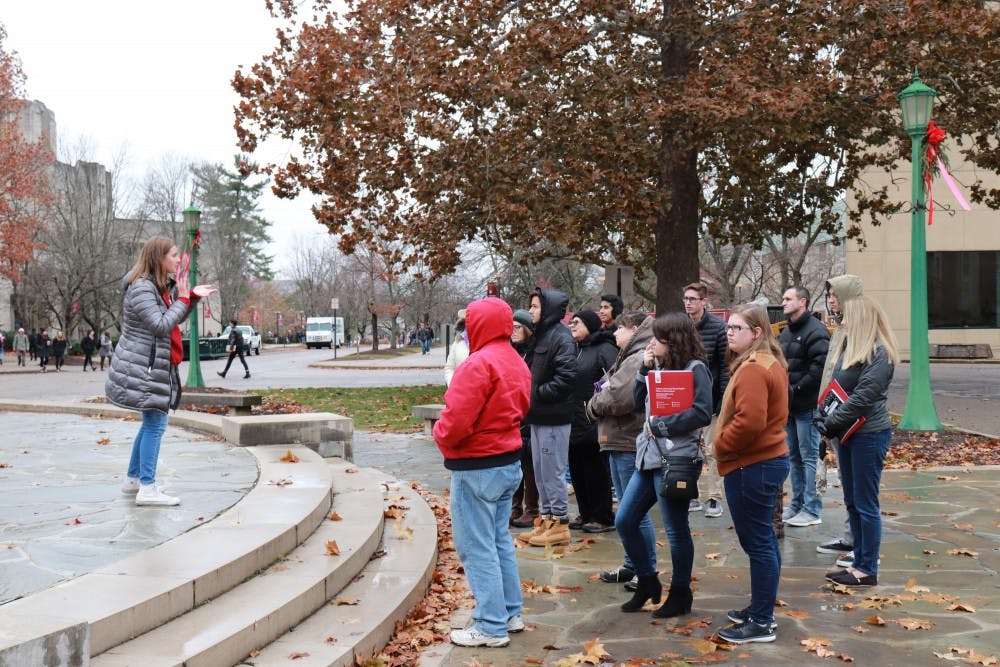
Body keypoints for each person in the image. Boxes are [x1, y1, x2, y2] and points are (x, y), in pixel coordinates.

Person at [433, 297, 531, 648]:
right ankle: (508, 612)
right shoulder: (516, 361)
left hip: (477, 466)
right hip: (507, 461)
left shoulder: (478, 364)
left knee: (476, 546)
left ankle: (491, 626)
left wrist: (439, 436)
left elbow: (456, 419)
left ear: (478, 325)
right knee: (499, 539)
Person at [106, 235, 215, 506]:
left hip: (151, 364)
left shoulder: (155, 285)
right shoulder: (142, 287)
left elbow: (171, 318)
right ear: (159, 257)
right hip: (146, 366)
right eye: (173, 255)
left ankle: (134, 480)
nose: (178, 260)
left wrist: (190, 299)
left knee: (150, 423)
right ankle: (147, 487)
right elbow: (160, 325)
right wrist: (183, 298)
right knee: (156, 424)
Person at [616, 313, 713, 617]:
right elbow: (636, 400)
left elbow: (702, 412)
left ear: (674, 340)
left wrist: (662, 426)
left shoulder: (696, 369)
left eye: (658, 338)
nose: (652, 343)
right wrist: (644, 370)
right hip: (649, 457)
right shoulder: (657, 366)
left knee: (675, 529)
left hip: (677, 458)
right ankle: (647, 581)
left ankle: (681, 592)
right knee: (625, 520)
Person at [712, 304, 789, 644]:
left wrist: (721, 445)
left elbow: (750, 422)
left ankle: (761, 621)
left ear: (757, 333)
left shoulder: (754, 369)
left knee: (758, 542)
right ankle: (761, 609)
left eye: (737, 328)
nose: (729, 332)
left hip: (752, 464)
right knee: (762, 541)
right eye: (728, 327)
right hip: (761, 461)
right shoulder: (762, 362)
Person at [817, 295, 897, 588]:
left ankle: (867, 568)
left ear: (862, 318)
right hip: (848, 433)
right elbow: (838, 388)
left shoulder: (880, 353)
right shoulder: (852, 348)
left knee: (865, 503)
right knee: (852, 501)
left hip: (868, 435)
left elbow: (863, 398)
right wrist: (822, 413)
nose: (843, 321)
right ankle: (858, 561)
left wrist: (830, 422)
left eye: (848, 316)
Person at [586, 311, 655, 590]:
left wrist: (593, 405)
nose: (614, 333)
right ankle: (632, 564)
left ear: (635, 329)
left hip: (628, 439)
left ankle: (646, 569)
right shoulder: (631, 355)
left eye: (620, 329)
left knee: (634, 511)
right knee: (626, 510)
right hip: (618, 438)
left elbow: (619, 396)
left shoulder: (638, 357)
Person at [519, 288, 578, 547]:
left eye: (535, 306)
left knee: (553, 472)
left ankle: (560, 524)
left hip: (553, 416)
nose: (530, 311)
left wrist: (539, 394)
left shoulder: (561, 337)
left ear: (548, 309)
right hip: (538, 415)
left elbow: (566, 377)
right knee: (541, 472)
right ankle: (546, 519)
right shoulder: (541, 335)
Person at [815, 274, 864, 561]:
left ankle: (862, 547)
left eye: (835, 295)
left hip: (852, 420)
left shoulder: (860, 330)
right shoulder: (841, 328)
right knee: (847, 485)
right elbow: (831, 372)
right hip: (833, 414)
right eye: (829, 296)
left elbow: (860, 380)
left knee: (859, 489)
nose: (831, 300)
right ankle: (851, 538)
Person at [779, 286, 830, 528]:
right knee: (794, 458)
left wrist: (795, 389)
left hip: (807, 406)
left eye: (788, 299)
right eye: (783, 299)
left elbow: (818, 370)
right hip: (789, 406)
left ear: (803, 301)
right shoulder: (787, 332)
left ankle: (812, 509)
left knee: (809, 458)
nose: (784, 303)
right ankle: (797, 504)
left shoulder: (816, 331)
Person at [566, 310, 617, 533]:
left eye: (577, 322)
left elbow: (613, 381)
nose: (572, 325)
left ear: (590, 325)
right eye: (571, 322)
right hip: (573, 420)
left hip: (594, 420)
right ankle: (585, 513)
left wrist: (597, 406)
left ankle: (602, 516)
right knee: (578, 470)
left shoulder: (604, 349)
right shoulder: (576, 349)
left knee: (596, 470)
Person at [683, 282, 729, 518]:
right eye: (686, 298)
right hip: (684, 397)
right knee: (689, 448)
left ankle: (714, 497)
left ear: (703, 301)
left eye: (693, 298)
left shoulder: (718, 328)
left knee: (712, 449)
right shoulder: (681, 327)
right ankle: (691, 495)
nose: (688, 302)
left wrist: (722, 400)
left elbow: (724, 366)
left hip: (709, 398)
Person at [509, 309, 540, 528]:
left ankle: (532, 508)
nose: (513, 331)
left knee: (529, 465)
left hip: (530, 411)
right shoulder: (510, 351)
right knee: (514, 464)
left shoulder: (534, 352)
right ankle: (514, 507)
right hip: (512, 411)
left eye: (518, 326)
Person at [443, 309, 470, 386]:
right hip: (461, 394)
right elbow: (449, 368)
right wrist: (452, 386)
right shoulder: (458, 342)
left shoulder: (490, 345)